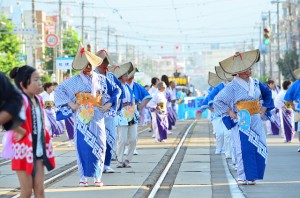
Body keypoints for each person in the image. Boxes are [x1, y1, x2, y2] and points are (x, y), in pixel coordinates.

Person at [54, 43, 120, 187]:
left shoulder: (102, 79)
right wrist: (72, 105)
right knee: (83, 146)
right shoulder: (75, 81)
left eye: (90, 64)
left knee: (101, 145)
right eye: (85, 65)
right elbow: (59, 90)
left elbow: (116, 90)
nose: (88, 67)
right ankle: (83, 176)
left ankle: (97, 176)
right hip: (82, 119)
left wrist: (108, 104)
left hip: (98, 117)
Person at [214, 49, 274, 185]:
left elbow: (268, 94)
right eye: (247, 69)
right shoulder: (233, 86)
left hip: (256, 118)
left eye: (250, 68)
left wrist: (263, 110)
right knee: (242, 147)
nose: (250, 71)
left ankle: (253, 175)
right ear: (239, 72)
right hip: (242, 119)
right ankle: (242, 175)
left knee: (259, 145)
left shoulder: (257, 83)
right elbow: (218, 100)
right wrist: (230, 113)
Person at [9, 65, 56, 197]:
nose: (39, 83)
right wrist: (19, 130)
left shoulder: (39, 99)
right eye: (35, 80)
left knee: (40, 190)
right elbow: (6, 117)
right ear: (23, 84)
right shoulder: (19, 100)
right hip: (23, 151)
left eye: (39, 79)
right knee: (27, 191)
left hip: (38, 150)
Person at [95, 49, 125, 173]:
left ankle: (106, 164)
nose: (105, 64)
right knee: (97, 139)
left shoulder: (111, 76)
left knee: (110, 138)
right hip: (94, 112)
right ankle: (96, 164)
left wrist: (113, 104)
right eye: (102, 62)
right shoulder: (92, 76)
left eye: (106, 62)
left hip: (109, 112)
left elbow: (119, 90)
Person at [110, 63, 138, 168]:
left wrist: (135, 112)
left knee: (133, 138)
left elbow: (133, 100)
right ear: (121, 76)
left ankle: (128, 159)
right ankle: (120, 160)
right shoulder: (116, 86)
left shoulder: (128, 87)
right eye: (125, 75)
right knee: (122, 139)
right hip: (121, 113)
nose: (128, 76)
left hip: (131, 113)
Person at [126, 62, 152, 155]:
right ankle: (124, 148)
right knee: (123, 132)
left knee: (133, 131)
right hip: (122, 111)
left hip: (134, 110)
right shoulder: (121, 84)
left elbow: (147, 96)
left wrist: (141, 106)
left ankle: (132, 148)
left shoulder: (137, 86)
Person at [284, 68, 300, 152]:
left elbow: (287, 97)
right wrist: (292, 106)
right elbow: (287, 97)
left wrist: (292, 106)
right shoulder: (296, 84)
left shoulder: (295, 84)